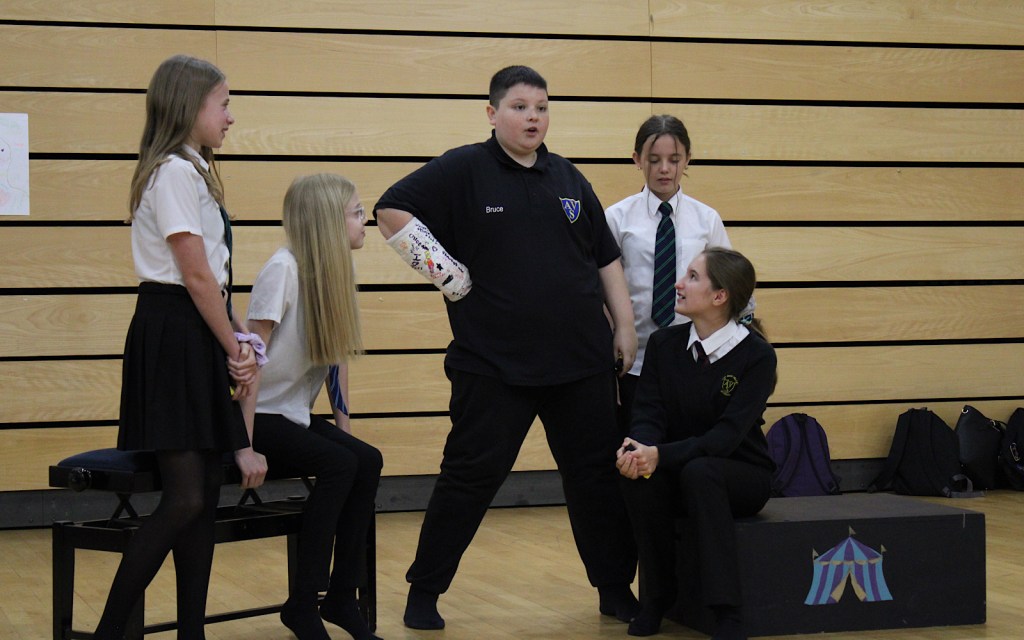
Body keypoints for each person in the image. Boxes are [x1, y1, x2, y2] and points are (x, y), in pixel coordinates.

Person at [374, 65, 640, 630]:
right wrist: (446, 273)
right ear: (492, 113)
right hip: (493, 365)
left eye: (542, 107)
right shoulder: (463, 169)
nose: (533, 117)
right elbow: (390, 210)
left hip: (581, 362)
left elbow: (604, 256)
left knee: (595, 478)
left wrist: (623, 325)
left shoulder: (568, 178)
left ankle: (615, 588)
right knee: (468, 478)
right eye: (520, 107)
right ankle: (425, 592)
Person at [95, 55, 267, 639]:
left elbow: (212, 279)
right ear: (190, 107)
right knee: (186, 497)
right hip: (174, 329)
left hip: (194, 324)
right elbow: (193, 276)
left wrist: (239, 336)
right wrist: (235, 346)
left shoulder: (191, 170)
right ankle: (111, 629)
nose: (231, 117)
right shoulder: (171, 171)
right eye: (223, 104)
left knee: (204, 493)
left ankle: (191, 630)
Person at [240, 173, 383, 640]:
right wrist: (243, 445)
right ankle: (303, 603)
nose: (366, 220)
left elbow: (334, 357)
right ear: (328, 220)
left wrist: (344, 426)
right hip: (253, 414)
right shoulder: (283, 268)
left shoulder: (335, 268)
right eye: (358, 212)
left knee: (364, 458)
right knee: (340, 464)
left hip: (290, 413)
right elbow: (247, 363)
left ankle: (342, 597)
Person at [617, 247, 776, 640]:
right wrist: (639, 450)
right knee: (640, 475)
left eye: (691, 277)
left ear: (720, 296)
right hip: (680, 466)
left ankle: (726, 612)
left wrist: (660, 455)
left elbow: (725, 439)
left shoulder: (757, 356)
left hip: (740, 474)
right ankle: (656, 598)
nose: (678, 283)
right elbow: (648, 413)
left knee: (701, 471)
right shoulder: (664, 345)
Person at [605, 115, 732, 433]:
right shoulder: (617, 218)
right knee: (637, 449)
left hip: (694, 360)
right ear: (637, 160)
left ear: (687, 159)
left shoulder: (706, 219)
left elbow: (728, 286)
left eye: (674, 160)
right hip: (633, 362)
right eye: (654, 159)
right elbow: (602, 289)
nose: (664, 169)